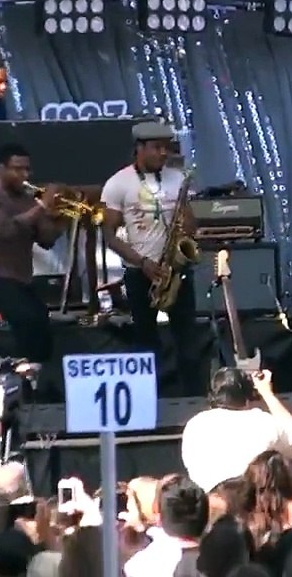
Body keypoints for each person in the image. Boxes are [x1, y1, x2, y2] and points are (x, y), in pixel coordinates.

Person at [101, 120, 209, 397]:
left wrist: (186, 227)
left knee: (188, 342)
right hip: (140, 273)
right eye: (156, 148)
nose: (163, 154)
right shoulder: (117, 183)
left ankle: (193, 400)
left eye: (167, 148)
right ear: (139, 148)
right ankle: (149, 402)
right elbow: (110, 236)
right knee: (146, 344)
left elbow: (191, 225)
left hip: (176, 269)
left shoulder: (177, 178)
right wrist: (142, 263)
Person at [0, 143, 67, 363]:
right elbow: (6, 229)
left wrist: (60, 217)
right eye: (17, 169)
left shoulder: (26, 199)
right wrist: (42, 206)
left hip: (23, 280)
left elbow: (46, 240)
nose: (23, 175)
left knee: (42, 322)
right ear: (1, 169)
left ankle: (39, 376)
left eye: (26, 169)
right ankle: (25, 375)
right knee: (28, 320)